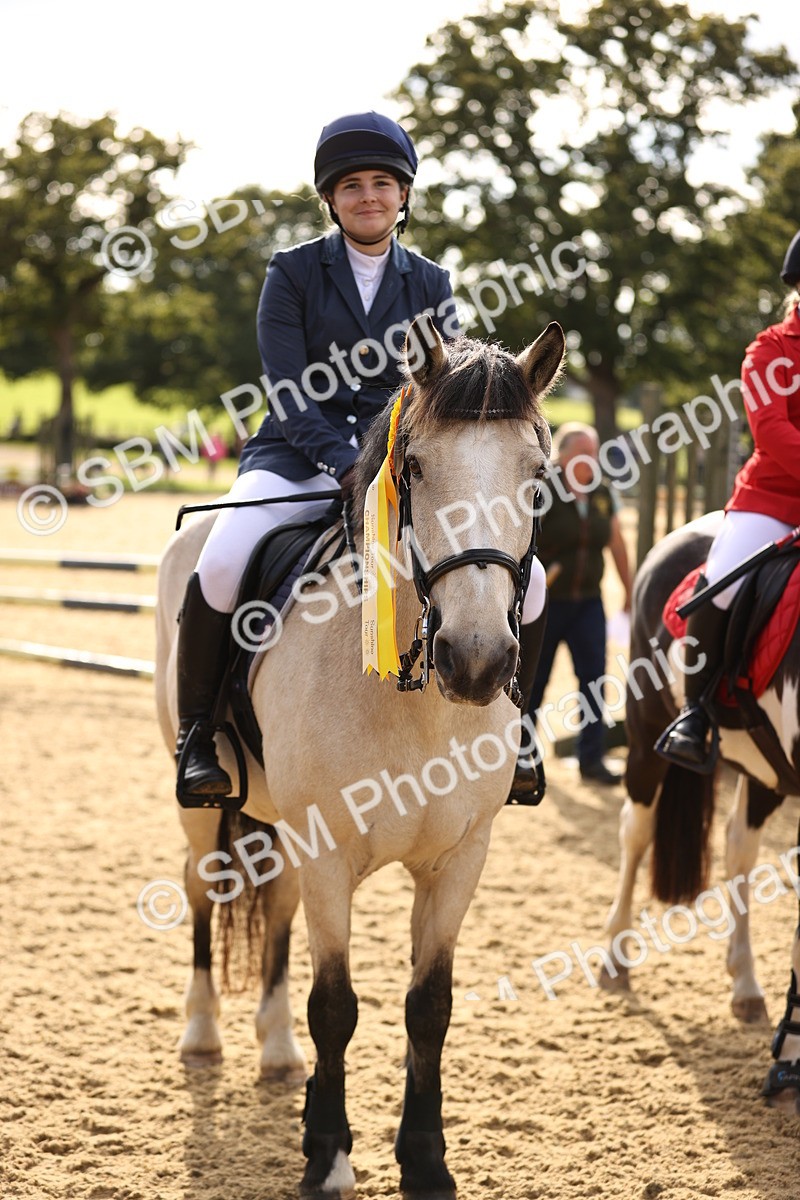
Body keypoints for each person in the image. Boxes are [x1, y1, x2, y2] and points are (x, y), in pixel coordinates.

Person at [174, 110, 549, 803]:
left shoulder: (431, 281)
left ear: (404, 195)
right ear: (330, 198)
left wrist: (393, 463)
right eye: (352, 186)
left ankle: (518, 726)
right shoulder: (291, 273)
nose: (369, 196)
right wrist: (345, 462)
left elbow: (442, 387)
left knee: (534, 580)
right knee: (221, 560)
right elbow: (287, 388)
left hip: (399, 463)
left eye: (383, 183)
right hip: (293, 453)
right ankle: (198, 733)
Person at [657, 231, 800, 771]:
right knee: (723, 583)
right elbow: (771, 432)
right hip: (770, 502)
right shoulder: (771, 351)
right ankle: (694, 713)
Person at [523, 422, 633, 786]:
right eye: (583, 452)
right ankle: (520, 758)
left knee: (594, 682)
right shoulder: (541, 490)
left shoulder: (602, 492)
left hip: (588, 601)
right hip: (547, 602)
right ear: (563, 455)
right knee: (535, 681)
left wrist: (629, 589)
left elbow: (616, 542)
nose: (591, 459)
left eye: (594, 451)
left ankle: (592, 760)